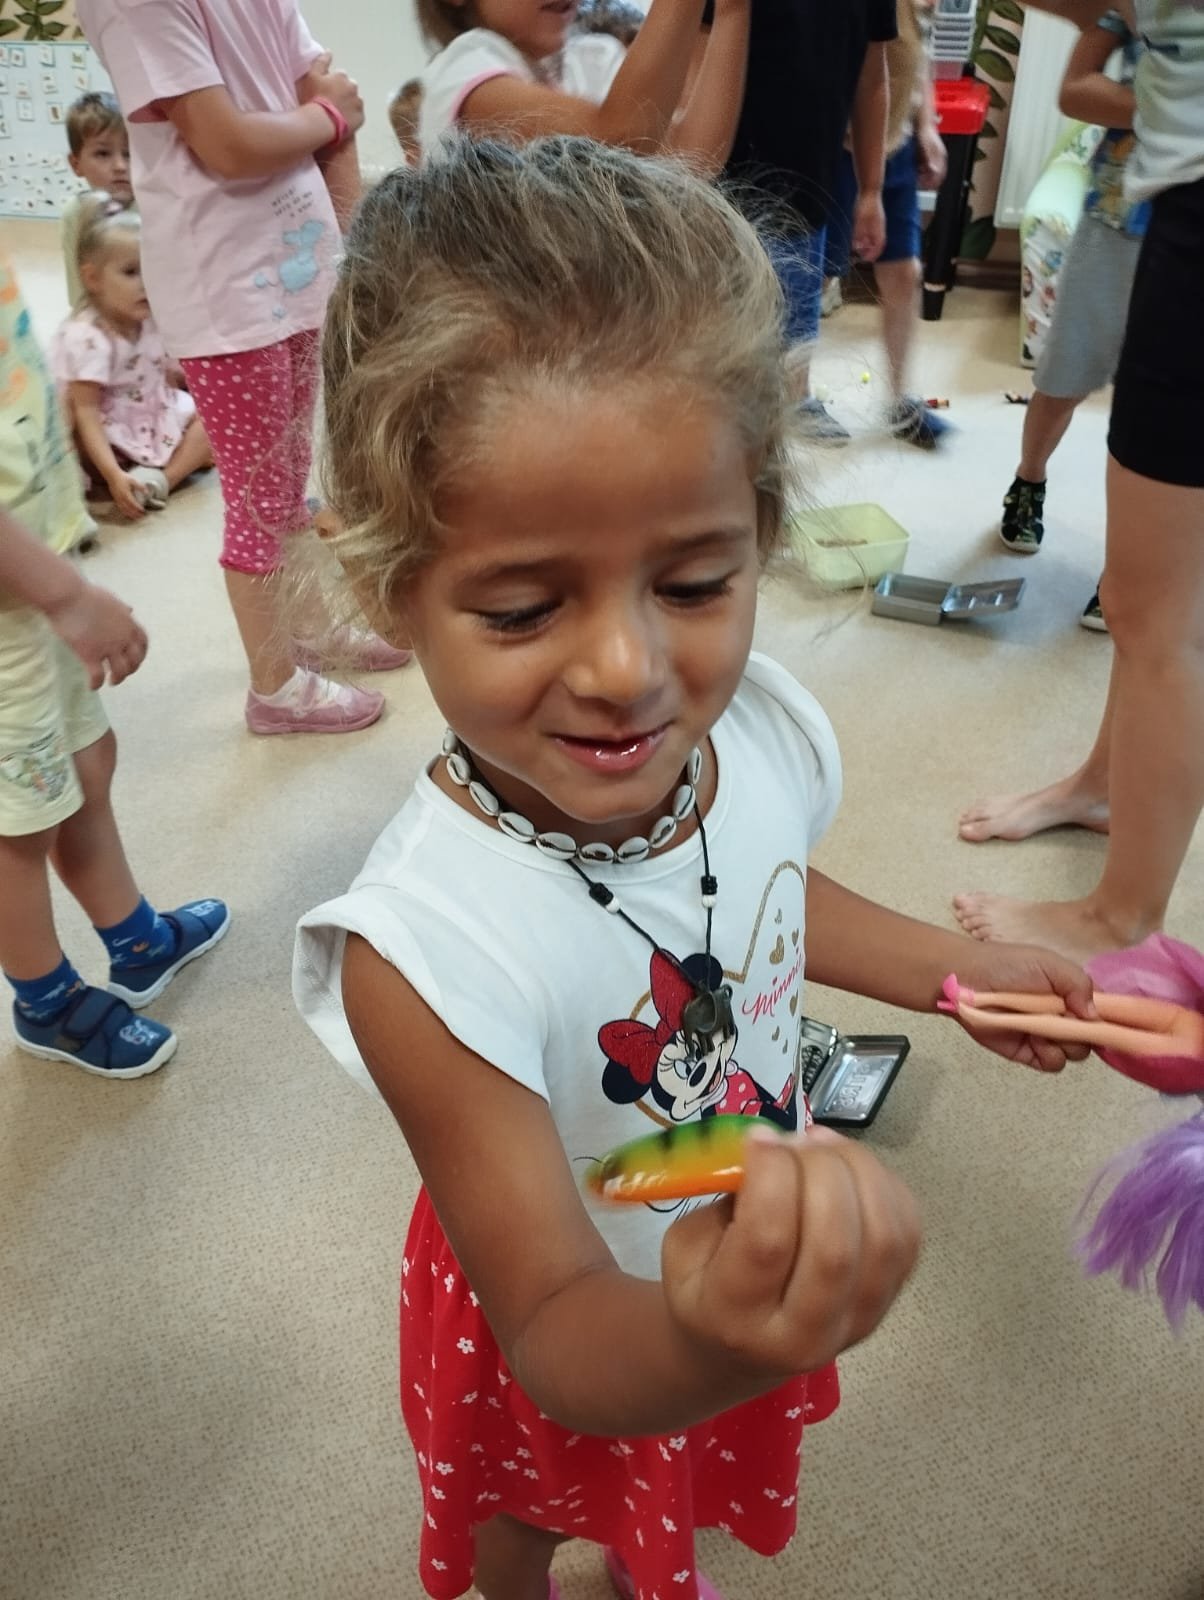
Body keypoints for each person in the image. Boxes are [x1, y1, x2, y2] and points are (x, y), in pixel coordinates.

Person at [293, 137, 1095, 1600]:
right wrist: (705, 1340)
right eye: (523, 607)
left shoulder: (756, 734)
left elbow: (777, 898)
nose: (628, 668)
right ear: (384, 583)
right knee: (527, 1496)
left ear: (761, 530)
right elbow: (554, 1319)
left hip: (723, 1196)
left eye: (694, 582)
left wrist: (959, 971)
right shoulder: (420, 954)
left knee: (660, 1483)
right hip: (576, 1284)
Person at [75, 0, 409, 737]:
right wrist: (326, 118)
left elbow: (320, 85)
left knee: (287, 482)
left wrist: (351, 238)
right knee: (258, 502)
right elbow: (230, 143)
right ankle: (275, 688)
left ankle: (304, 632)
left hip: (295, 268)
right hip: (226, 294)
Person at [955, 0, 1204, 966]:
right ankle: (1102, 786)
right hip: (1171, 200)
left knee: (1165, 616)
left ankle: (1120, 918)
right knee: (1151, 597)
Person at [1, 258, 227, 1077]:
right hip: (18, 607)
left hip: (27, 576)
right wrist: (65, 596)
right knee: (17, 822)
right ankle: (46, 1003)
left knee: (85, 764)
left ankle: (135, 939)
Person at [995, 8, 1146, 635]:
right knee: (1064, 376)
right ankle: (1028, 479)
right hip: (1120, 218)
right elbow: (1076, 90)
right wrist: (1173, 110)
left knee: (1162, 413)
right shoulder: (1136, 9)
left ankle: (1129, 569)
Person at [708, 0, 896, 442]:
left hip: (810, 182)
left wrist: (872, 190)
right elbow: (699, 68)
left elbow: (872, 81)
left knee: (800, 304)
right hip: (725, 187)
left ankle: (796, 400)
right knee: (729, 337)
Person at [415, 0, 750, 175]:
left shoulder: (588, 58)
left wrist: (732, 10)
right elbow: (621, 139)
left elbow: (691, 160)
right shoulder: (463, 67)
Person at [822, 0, 951, 448]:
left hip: (895, 143)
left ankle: (899, 400)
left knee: (903, 273)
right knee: (813, 274)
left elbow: (916, 58)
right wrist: (867, 188)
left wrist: (927, 127)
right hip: (840, 146)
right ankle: (793, 398)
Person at [52, 196, 213, 521]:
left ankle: (160, 481)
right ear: (93, 279)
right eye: (130, 272)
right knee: (77, 441)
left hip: (153, 413)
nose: (146, 283)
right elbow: (86, 412)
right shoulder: (88, 337)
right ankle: (126, 479)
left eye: (151, 270)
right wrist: (112, 473)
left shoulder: (148, 317)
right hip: (107, 430)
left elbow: (165, 370)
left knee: (217, 420)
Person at [61, 91, 135, 311]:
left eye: (129, 154)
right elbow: (79, 293)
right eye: (103, 154)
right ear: (76, 164)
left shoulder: (154, 207)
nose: (120, 166)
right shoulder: (76, 213)